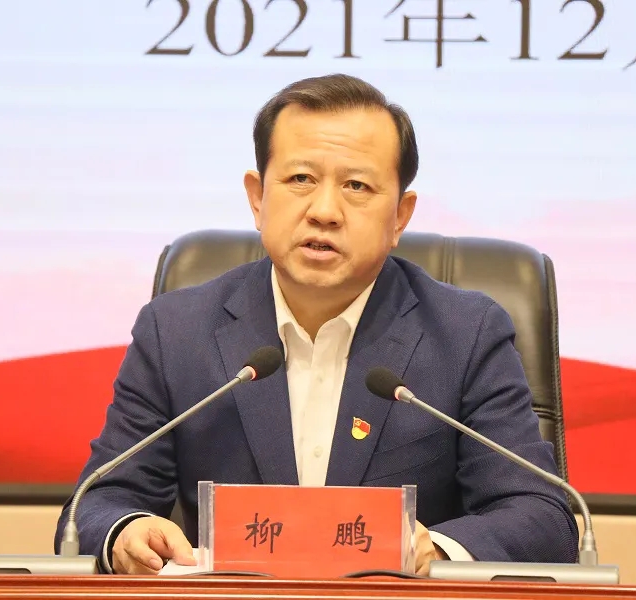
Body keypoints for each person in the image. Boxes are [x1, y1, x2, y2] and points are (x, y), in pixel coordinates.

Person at [54, 73, 579, 575]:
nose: (324, 210)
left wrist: (438, 551)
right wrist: (126, 532)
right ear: (257, 197)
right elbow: (95, 506)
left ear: (400, 216)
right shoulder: (175, 331)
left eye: (356, 185)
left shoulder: (465, 334)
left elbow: (542, 518)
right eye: (301, 179)